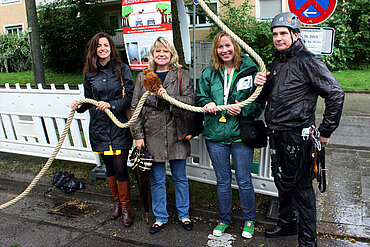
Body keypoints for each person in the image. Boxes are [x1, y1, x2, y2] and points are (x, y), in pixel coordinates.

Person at [254, 13, 345, 246]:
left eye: (283, 33)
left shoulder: (308, 60)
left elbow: (335, 94)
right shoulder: (277, 61)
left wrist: (325, 131)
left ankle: (307, 241)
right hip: (277, 134)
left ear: (295, 34)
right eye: (275, 34)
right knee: (283, 182)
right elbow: (267, 97)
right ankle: (287, 224)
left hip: (298, 135)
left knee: (303, 190)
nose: (278, 38)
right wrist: (259, 84)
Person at [195, 31, 265, 239]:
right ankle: (224, 220)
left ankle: (249, 220)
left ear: (236, 46)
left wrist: (243, 110)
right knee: (223, 181)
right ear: (215, 50)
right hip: (215, 135)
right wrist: (206, 103)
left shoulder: (250, 71)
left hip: (239, 135)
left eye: (228, 45)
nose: (224, 50)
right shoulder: (209, 72)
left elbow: (259, 102)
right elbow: (200, 95)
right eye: (220, 47)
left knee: (244, 180)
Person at [130, 37, 194, 234]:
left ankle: (184, 214)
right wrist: (138, 136)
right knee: (157, 179)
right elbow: (135, 107)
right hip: (152, 134)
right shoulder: (143, 76)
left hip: (176, 133)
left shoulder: (182, 74)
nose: (161, 54)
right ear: (152, 54)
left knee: (180, 177)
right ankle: (160, 217)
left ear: (171, 54)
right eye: (157, 51)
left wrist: (168, 96)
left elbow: (191, 99)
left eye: (165, 51)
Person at [71, 32, 134, 227]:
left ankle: (126, 209)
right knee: (109, 168)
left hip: (118, 125)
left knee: (121, 167)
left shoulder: (122, 69)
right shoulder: (89, 74)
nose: (103, 49)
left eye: (106, 45)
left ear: (111, 47)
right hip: (99, 128)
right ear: (95, 50)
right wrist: (78, 106)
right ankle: (116, 204)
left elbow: (129, 97)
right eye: (99, 46)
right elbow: (88, 100)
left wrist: (111, 105)